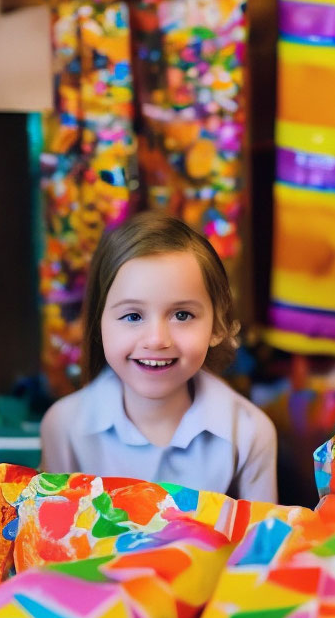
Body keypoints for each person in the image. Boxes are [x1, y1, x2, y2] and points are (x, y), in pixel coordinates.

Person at [40, 211, 278, 502]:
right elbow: (50, 539)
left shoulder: (250, 433)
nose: (157, 339)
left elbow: (265, 544)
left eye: (182, 315)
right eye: (132, 316)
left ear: (218, 325)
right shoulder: (64, 427)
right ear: (98, 323)